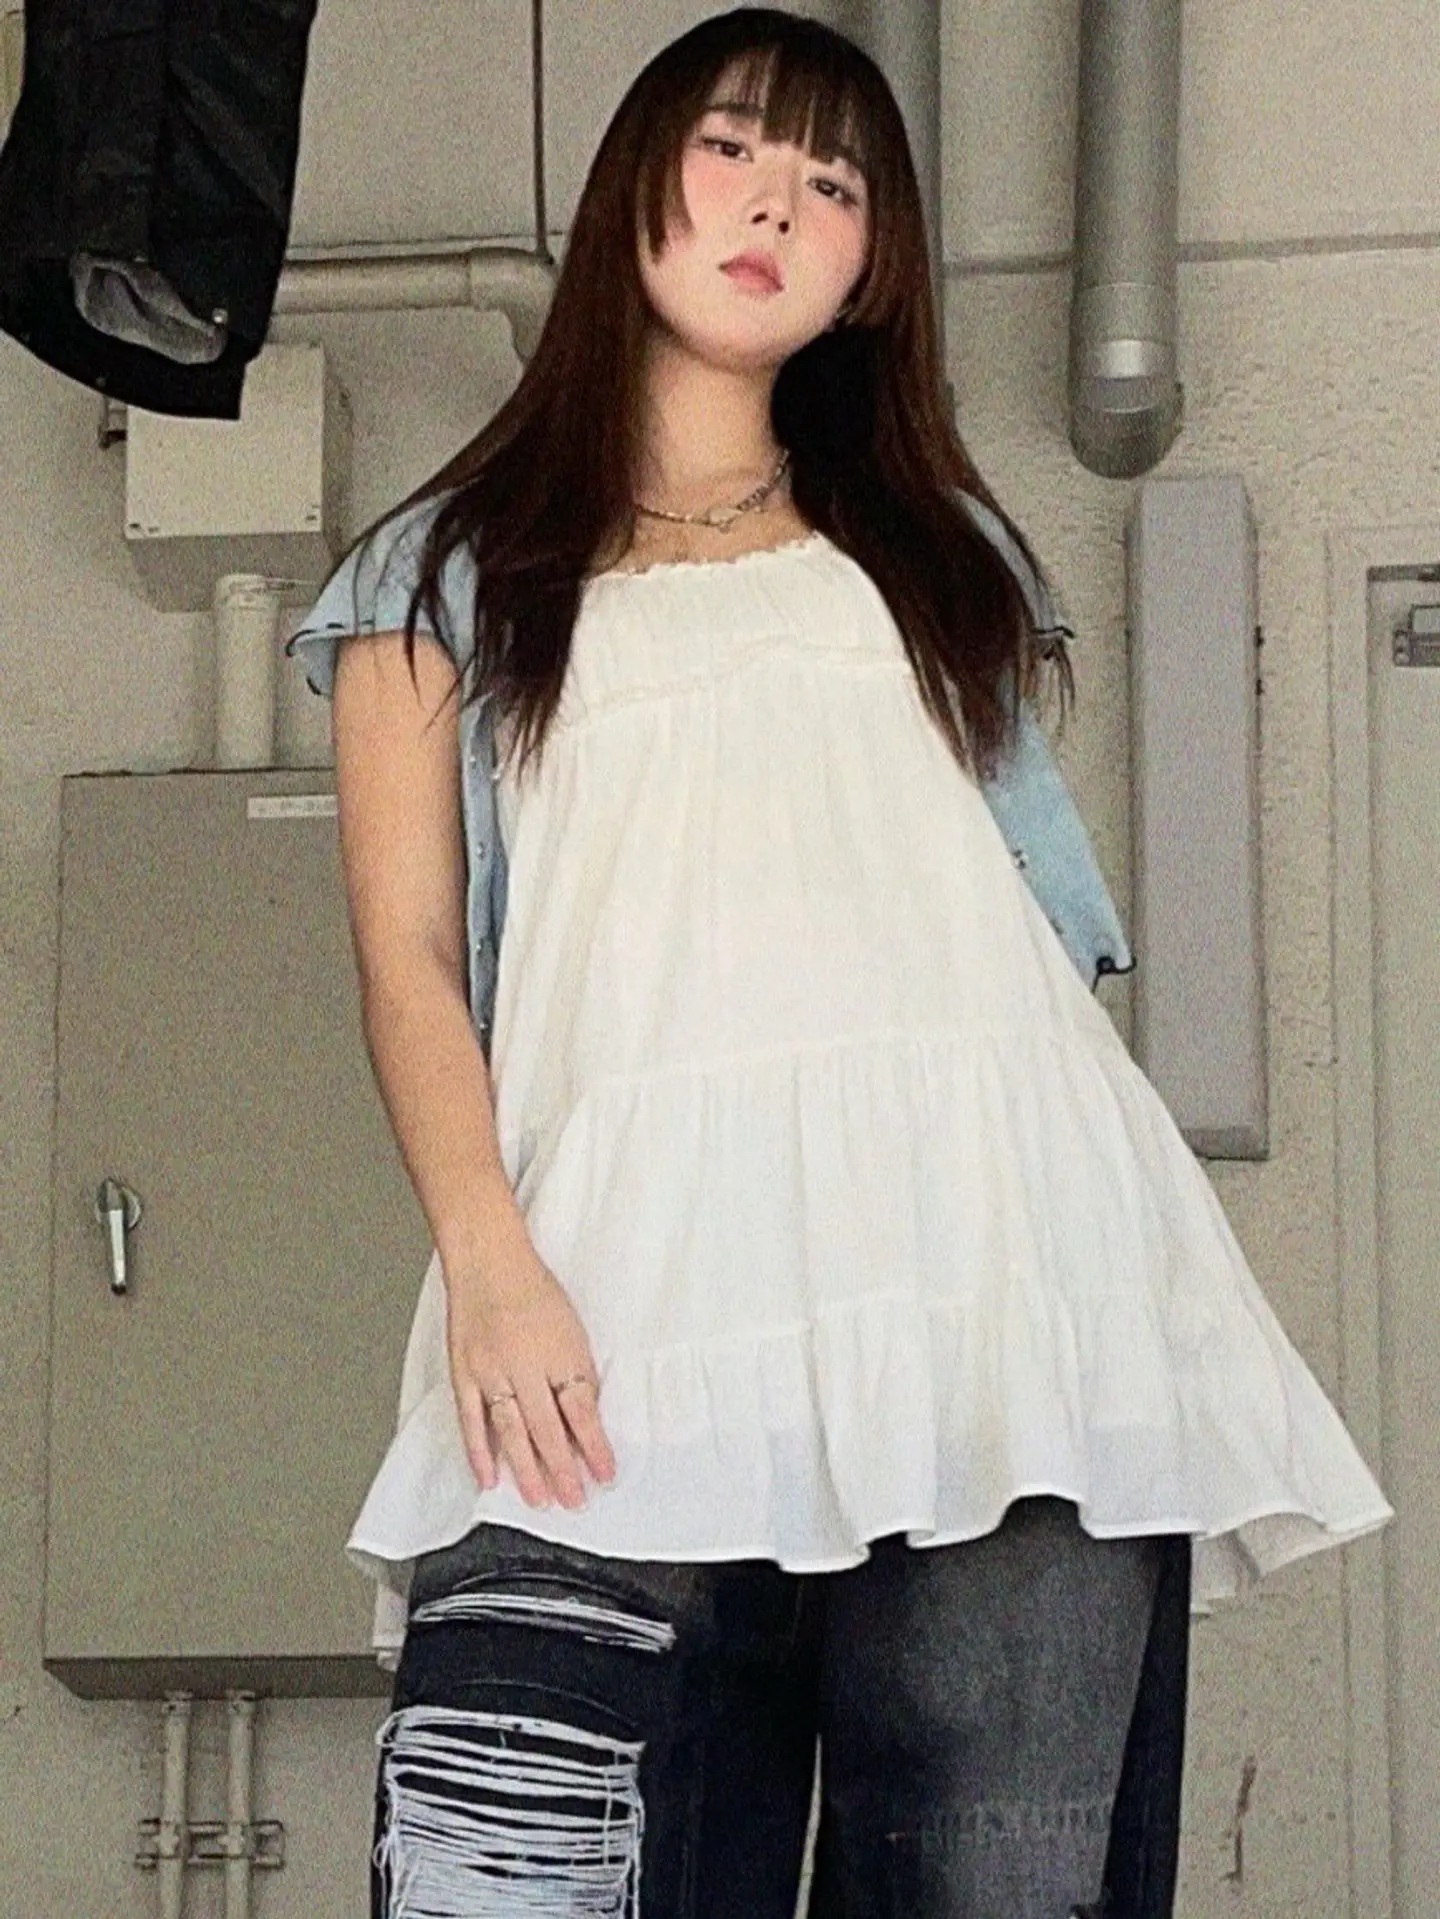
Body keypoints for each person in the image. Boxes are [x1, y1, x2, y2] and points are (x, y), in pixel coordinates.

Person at [289, 10, 1391, 1915]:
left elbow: (1020, 935)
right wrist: (486, 1256)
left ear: (874, 265)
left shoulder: (936, 556)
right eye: (735, 148)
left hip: (1000, 1291)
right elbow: (407, 958)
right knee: (526, 1863)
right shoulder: (445, 571)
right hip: (614, 1287)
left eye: (834, 183)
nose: (777, 206)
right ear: (635, 179)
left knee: (988, 1877)